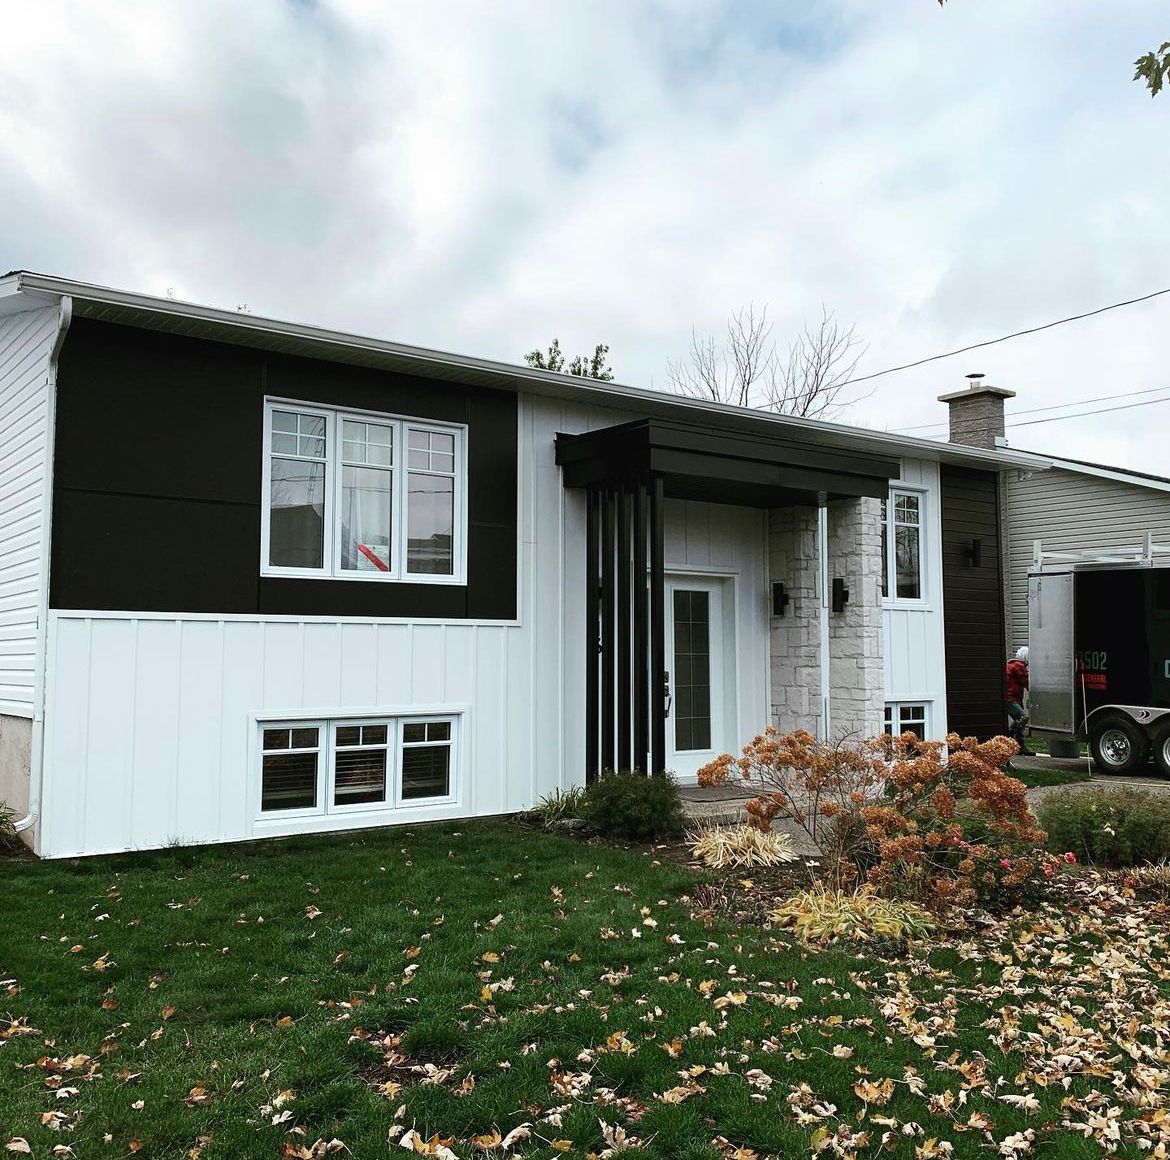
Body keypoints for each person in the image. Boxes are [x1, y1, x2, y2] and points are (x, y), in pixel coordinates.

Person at [1005, 646, 1033, 756]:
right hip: (1011, 698)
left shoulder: (1012, 664)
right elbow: (1027, 681)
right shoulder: (1019, 666)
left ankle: (1014, 742)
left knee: (1019, 719)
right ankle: (1010, 737)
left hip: (1012, 697)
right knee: (1022, 717)